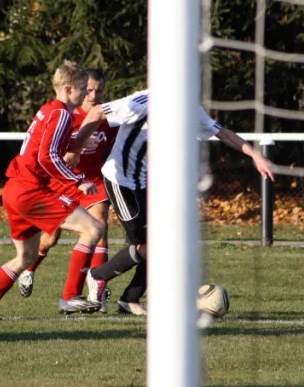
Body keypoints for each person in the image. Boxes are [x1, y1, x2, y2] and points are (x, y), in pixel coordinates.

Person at [70, 89, 275, 316]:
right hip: (120, 181)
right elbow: (98, 112)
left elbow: (222, 133)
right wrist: (75, 149)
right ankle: (98, 276)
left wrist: (255, 155)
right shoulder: (143, 101)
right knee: (152, 247)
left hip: (146, 183)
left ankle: (129, 299)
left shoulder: (189, 109)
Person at [0, 60, 104, 321]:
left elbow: (45, 147)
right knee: (94, 228)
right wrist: (77, 180)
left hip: (15, 189)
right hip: (31, 192)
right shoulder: (62, 113)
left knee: (26, 256)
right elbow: (46, 157)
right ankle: (70, 296)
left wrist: (77, 141)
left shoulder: (49, 110)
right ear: (67, 88)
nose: (87, 94)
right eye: (82, 89)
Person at [16, 68, 118, 314]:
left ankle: (97, 291)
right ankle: (29, 268)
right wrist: (78, 145)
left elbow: (115, 146)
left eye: (99, 91)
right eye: (89, 90)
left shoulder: (106, 117)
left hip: (92, 180)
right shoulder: (67, 114)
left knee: (100, 226)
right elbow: (51, 153)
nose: (93, 95)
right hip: (65, 181)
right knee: (51, 238)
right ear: (80, 89)